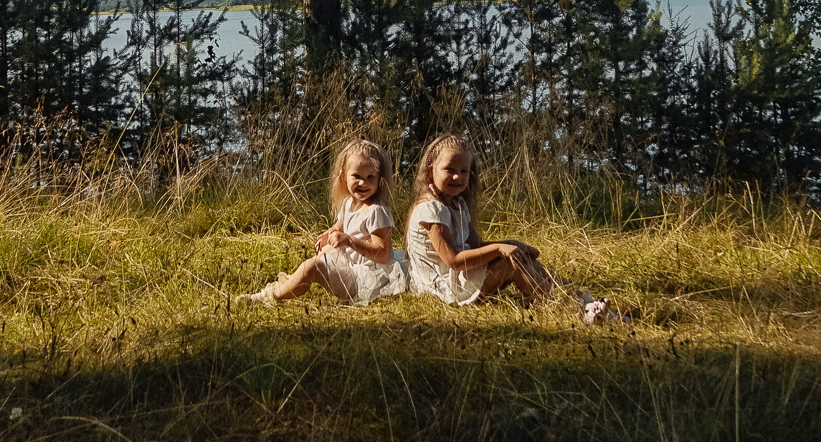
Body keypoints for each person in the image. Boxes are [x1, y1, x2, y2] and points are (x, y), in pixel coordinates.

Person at [406, 132, 617, 322]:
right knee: (511, 263)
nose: (457, 177)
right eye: (449, 169)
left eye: (464, 171)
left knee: (518, 255)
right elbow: (453, 260)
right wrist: (500, 249)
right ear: (429, 171)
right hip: (441, 288)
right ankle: (574, 311)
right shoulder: (431, 209)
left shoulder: (457, 204)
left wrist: (512, 244)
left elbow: (475, 245)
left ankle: (583, 301)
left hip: (457, 279)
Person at [237, 139, 408, 306]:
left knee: (312, 266)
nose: (363, 182)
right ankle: (290, 284)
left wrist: (349, 240)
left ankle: (270, 296)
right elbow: (341, 225)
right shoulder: (349, 203)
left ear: (380, 180)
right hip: (350, 263)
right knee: (322, 254)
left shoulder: (377, 211)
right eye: (357, 176)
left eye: (371, 177)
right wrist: (330, 233)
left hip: (365, 278)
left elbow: (383, 254)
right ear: (343, 175)